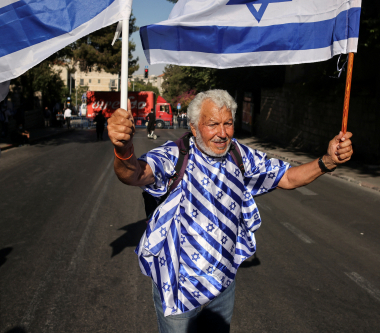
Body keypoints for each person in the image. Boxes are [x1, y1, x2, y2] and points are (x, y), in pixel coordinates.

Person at [107, 90, 353, 332]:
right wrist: (123, 150)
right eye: (213, 124)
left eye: (228, 123)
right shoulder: (174, 155)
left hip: (223, 284)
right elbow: (135, 173)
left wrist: (327, 162)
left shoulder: (238, 154)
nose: (222, 133)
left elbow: (286, 177)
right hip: (178, 285)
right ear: (194, 127)